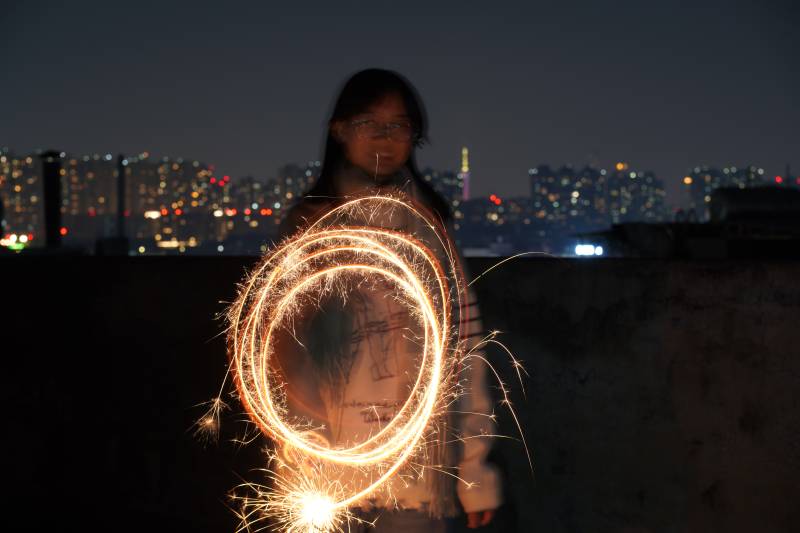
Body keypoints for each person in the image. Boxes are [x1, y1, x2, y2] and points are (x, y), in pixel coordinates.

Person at [276, 68, 501, 532]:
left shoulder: (429, 229)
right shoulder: (313, 226)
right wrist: (299, 461)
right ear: (340, 131)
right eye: (369, 123)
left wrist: (474, 471)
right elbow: (284, 353)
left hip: (418, 477)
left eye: (399, 125)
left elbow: (465, 348)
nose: (385, 137)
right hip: (329, 472)